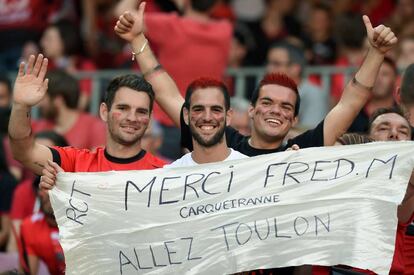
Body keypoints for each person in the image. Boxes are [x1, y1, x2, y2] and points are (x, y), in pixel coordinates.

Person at [115, 3, 398, 159]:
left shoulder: (302, 151)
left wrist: (375, 54)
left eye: (285, 107)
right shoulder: (223, 142)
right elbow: (169, 96)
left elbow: (351, 102)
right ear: (250, 110)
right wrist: (138, 39)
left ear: (294, 118)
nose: (276, 110)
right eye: (267, 102)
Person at [8, 54, 166, 181]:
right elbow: (24, 152)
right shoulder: (76, 163)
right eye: (123, 108)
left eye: (141, 111)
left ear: (150, 118)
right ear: (104, 112)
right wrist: (21, 106)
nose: (132, 117)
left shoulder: (165, 174)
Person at [115, 0, 232, 160]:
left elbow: (123, 14)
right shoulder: (224, 31)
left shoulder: (171, 25)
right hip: (204, 122)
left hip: (165, 118)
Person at [33, 69, 106, 150]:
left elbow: (98, 160)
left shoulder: (93, 126)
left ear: (58, 100)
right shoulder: (38, 127)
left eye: (43, 98)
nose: (39, 105)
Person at [266, 40, 329, 128]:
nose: (269, 69)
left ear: (295, 68)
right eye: (268, 63)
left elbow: (309, 133)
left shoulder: (313, 94)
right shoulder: (266, 91)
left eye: (276, 64)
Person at [20, 189, 65, 275]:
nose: (49, 193)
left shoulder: (84, 225)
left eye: (57, 187)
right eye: (44, 188)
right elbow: (29, 272)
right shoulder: (30, 226)